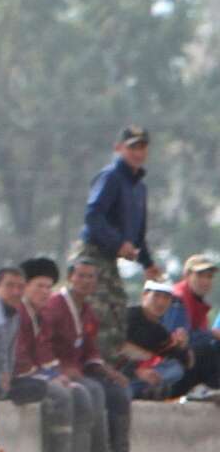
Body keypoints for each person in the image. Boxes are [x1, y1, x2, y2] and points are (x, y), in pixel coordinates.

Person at [39, 256, 147, 452]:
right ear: (70, 277)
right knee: (93, 391)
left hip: (81, 371)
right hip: (57, 372)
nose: (86, 281)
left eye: (91, 277)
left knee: (118, 392)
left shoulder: (87, 311)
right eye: (81, 276)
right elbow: (43, 342)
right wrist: (59, 368)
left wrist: (107, 370)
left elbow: (89, 350)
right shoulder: (55, 306)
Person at [79, 125, 161, 360]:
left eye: (142, 147)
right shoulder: (111, 177)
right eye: (133, 147)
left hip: (109, 259)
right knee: (102, 310)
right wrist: (117, 244)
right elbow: (93, 216)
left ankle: (108, 366)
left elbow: (138, 234)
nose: (138, 152)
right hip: (92, 255)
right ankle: (94, 364)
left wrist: (147, 263)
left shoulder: (139, 187)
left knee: (118, 310)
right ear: (119, 148)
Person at [9, 257, 95, 452]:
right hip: (15, 379)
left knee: (80, 393)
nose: (46, 291)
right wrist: (50, 378)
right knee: (60, 395)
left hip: (35, 376)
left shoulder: (39, 316)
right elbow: (20, 359)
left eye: (49, 287)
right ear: (25, 287)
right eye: (39, 286)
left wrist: (56, 374)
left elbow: (45, 354)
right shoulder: (19, 313)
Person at [120, 281, 198, 400]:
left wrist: (183, 346)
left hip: (138, 376)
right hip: (116, 374)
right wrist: (136, 371)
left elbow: (187, 362)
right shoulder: (127, 317)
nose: (161, 302)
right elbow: (110, 349)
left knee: (175, 370)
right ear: (145, 295)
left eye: (166, 298)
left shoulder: (159, 331)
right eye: (156, 296)